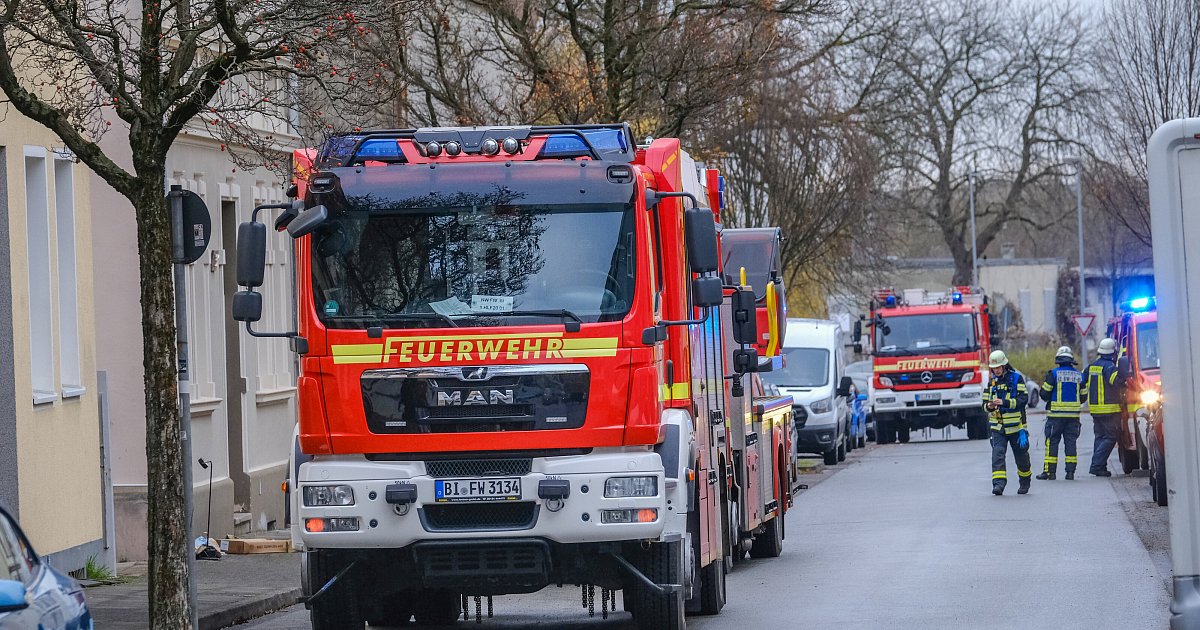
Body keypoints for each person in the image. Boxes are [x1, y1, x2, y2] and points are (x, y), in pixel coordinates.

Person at [983, 350, 1032, 495]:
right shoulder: (991, 383)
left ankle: (1025, 482)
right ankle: (998, 485)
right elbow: (984, 404)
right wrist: (989, 406)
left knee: (1022, 458)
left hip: (1016, 428)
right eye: (994, 368)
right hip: (998, 428)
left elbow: (1023, 400)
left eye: (998, 367)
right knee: (997, 456)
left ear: (1004, 365)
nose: (996, 370)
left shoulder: (1017, 379)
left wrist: (1005, 402)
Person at [1036, 346, 1086, 481]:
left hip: (1055, 417)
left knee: (1052, 443)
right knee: (1071, 444)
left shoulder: (1053, 374)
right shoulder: (1079, 375)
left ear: (1058, 360)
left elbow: (1044, 393)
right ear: (1071, 360)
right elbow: (1084, 397)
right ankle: (1070, 473)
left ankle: (1050, 473)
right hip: (1073, 417)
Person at [1085, 338, 1125, 477]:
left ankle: (1101, 467)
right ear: (1112, 353)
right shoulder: (1109, 367)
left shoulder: (1091, 366)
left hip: (1095, 410)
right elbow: (1118, 382)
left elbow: (1081, 382)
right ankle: (1096, 465)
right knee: (1110, 437)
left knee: (1100, 437)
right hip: (1109, 409)